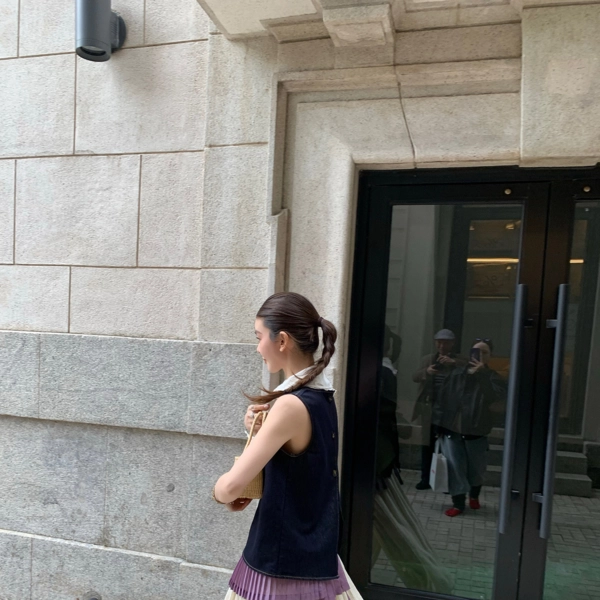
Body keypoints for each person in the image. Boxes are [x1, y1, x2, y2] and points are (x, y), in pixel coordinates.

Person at [213, 292, 362, 600]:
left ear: (282, 340)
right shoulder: (322, 399)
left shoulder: (289, 405)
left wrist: (218, 491)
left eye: (259, 337)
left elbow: (229, 488)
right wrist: (255, 430)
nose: (258, 348)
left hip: (280, 567)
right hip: (312, 557)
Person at [372, 326, 454, 594]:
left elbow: (381, 420)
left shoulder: (382, 373)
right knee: (384, 530)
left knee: (394, 529)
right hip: (380, 463)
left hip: (376, 466)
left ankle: (426, 584)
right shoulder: (385, 371)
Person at [432, 340, 506, 517]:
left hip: (477, 430)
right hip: (452, 429)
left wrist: (482, 374)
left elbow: (494, 399)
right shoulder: (457, 373)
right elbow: (442, 399)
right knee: (455, 467)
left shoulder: (492, 377)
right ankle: (458, 504)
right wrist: (438, 425)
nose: (480, 355)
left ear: (490, 356)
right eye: (476, 351)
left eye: (484, 352)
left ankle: (474, 495)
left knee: (476, 469)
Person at [411, 329, 462, 490]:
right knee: (427, 444)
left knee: (450, 446)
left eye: (446, 343)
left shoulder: (459, 360)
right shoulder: (428, 359)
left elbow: (468, 373)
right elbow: (415, 377)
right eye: (439, 342)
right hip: (429, 407)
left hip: (451, 411)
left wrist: (453, 363)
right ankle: (425, 478)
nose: (442, 346)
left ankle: (448, 481)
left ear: (452, 344)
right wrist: (427, 372)